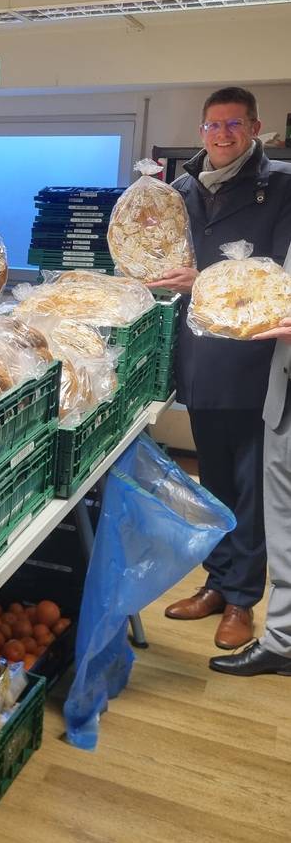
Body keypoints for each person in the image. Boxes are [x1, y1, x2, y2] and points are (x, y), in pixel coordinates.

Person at [150, 87, 291, 651]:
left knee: (252, 486)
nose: (223, 134)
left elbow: (274, 274)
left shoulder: (281, 184)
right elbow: (164, 259)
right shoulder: (180, 189)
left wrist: (203, 277)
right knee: (214, 483)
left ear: (254, 128)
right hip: (201, 359)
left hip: (256, 360)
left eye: (234, 124)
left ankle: (242, 601)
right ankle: (215, 582)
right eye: (213, 125)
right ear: (201, 129)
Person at [210, 297, 291, 677]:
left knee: (270, 514)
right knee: (281, 526)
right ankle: (281, 639)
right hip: (280, 391)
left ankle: (278, 638)